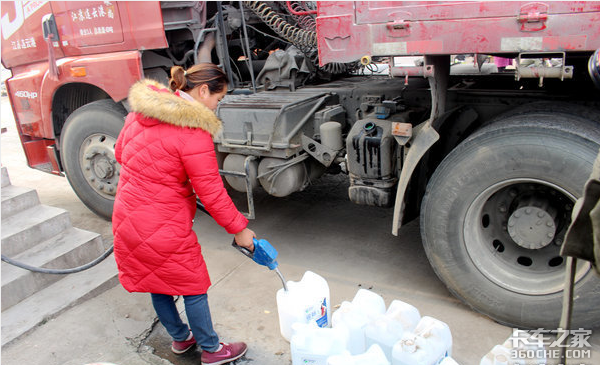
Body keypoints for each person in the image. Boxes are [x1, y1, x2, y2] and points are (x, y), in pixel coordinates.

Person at [112, 63, 256, 365]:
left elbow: (120, 154)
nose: (218, 105)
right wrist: (240, 230)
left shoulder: (139, 114)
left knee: (156, 280)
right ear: (203, 91)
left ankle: (180, 339)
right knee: (193, 283)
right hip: (162, 223)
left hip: (127, 215)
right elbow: (212, 193)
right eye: (219, 98)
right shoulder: (193, 133)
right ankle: (211, 349)